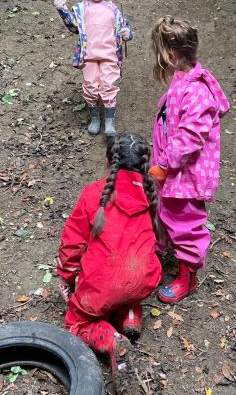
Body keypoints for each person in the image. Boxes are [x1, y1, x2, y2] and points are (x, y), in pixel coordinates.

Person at [56, 133, 163, 381]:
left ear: (108, 163)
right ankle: (130, 314)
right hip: (144, 278)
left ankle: (112, 341)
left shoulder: (93, 194)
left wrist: (66, 278)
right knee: (126, 282)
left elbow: (72, 244)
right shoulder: (150, 194)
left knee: (77, 322)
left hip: (104, 283)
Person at [148, 15, 230, 304]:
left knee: (187, 223)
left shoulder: (196, 92)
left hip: (186, 175)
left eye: (160, 57)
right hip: (172, 171)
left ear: (171, 55)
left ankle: (188, 275)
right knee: (164, 212)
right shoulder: (182, 82)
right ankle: (159, 251)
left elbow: (189, 138)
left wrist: (164, 164)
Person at [53, 0, 133, 137]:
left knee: (108, 84)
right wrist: (62, 10)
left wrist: (127, 34)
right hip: (88, 56)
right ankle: (95, 118)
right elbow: (74, 27)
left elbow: (125, 28)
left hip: (109, 55)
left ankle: (110, 120)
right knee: (90, 85)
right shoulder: (81, 9)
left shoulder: (112, 9)